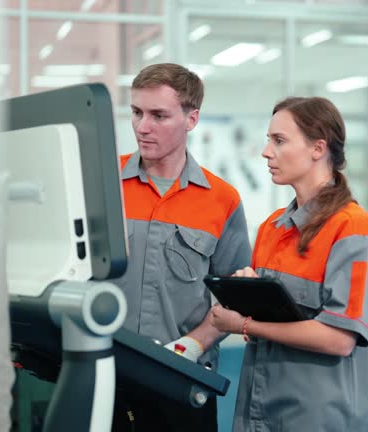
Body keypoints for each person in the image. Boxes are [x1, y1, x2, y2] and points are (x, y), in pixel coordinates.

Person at [209, 96, 368, 432]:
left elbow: (339, 339)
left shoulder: (351, 229)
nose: (266, 151)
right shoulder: (272, 228)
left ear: (318, 148)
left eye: (279, 141)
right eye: (268, 140)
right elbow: (279, 319)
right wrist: (249, 296)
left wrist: (243, 325)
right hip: (258, 410)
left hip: (315, 419)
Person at [113, 63, 252, 431]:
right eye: (137, 113)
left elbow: (235, 295)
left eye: (159, 115)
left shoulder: (222, 200)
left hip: (181, 380)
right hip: (105, 375)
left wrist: (191, 346)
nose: (143, 127)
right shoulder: (104, 183)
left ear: (191, 120)